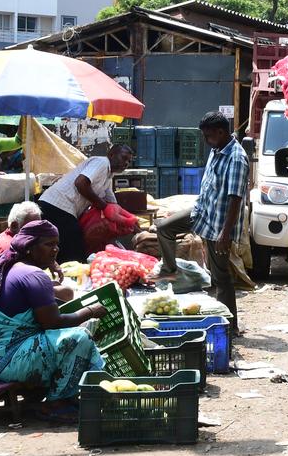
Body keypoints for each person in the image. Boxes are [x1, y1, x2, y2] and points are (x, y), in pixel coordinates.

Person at [0, 220, 108, 423]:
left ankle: (43, 392)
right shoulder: (33, 275)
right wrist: (90, 311)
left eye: (57, 244)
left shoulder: (10, 265)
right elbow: (52, 322)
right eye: (48, 244)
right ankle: (56, 403)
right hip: (3, 362)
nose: (55, 250)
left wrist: (48, 262)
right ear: (29, 247)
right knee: (79, 338)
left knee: (62, 337)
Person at [156, 112, 249, 330]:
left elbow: (235, 199)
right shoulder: (217, 149)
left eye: (209, 136)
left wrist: (224, 235)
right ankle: (170, 270)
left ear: (221, 132)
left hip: (218, 224)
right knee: (164, 228)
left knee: (220, 277)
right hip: (201, 213)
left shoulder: (236, 157)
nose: (206, 141)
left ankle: (230, 326)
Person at [37, 144, 134, 263]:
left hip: (63, 209)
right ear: (111, 155)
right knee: (74, 251)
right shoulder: (102, 162)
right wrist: (104, 206)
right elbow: (81, 183)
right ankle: (69, 276)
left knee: (65, 248)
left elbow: (112, 203)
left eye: (129, 161)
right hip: (56, 205)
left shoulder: (109, 176)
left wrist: (131, 222)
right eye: (123, 158)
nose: (126, 163)